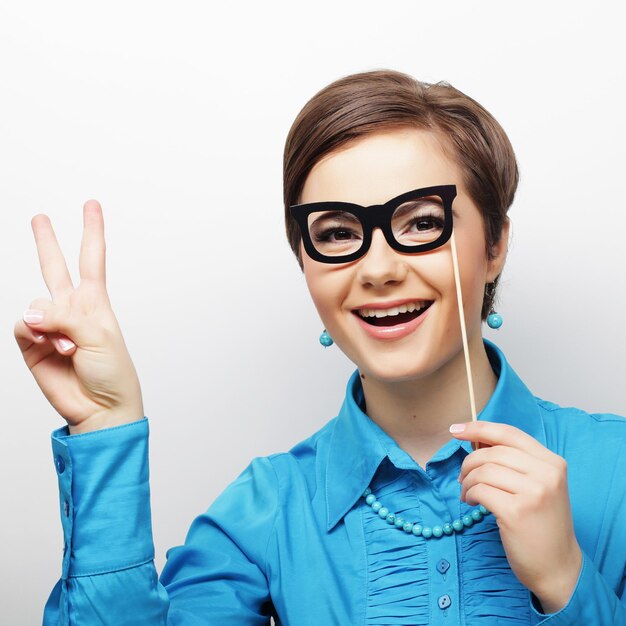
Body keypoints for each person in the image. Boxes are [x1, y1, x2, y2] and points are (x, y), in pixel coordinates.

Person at [15, 70, 626, 625]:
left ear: (494, 244)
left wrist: (564, 580)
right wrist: (105, 427)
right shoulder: (261, 512)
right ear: (305, 262)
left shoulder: (616, 473)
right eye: (338, 232)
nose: (379, 268)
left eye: (420, 222)